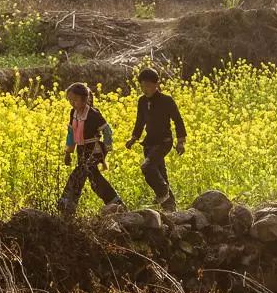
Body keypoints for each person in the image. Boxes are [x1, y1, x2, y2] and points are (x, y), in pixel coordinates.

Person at [58, 82, 125, 215]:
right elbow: (71, 133)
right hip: (81, 149)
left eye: (75, 100)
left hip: (94, 149)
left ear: (84, 99)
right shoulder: (73, 113)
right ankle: (115, 202)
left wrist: (106, 148)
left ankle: (67, 203)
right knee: (93, 179)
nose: (72, 103)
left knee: (78, 174)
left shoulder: (93, 114)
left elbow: (107, 130)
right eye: (70, 100)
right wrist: (68, 153)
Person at [125, 68, 187, 212]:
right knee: (160, 172)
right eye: (142, 86)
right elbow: (139, 121)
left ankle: (162, 192)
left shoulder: (166, 100)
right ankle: (170, 206)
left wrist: (180, 141)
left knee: (147, 167)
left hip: (164, 142)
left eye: (147, 85)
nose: (144, 89)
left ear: (156, 84)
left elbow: (178, 120)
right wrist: (134, 138)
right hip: (149, 143)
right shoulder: (141, 101)